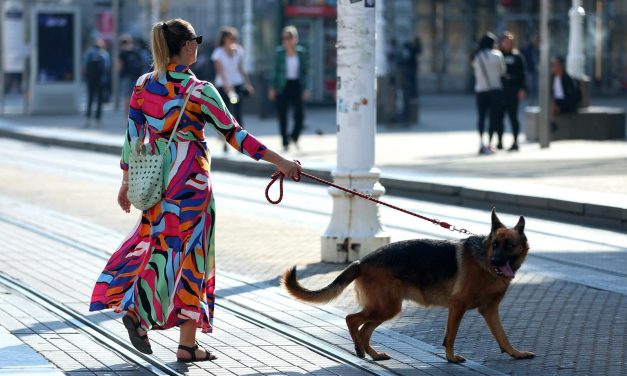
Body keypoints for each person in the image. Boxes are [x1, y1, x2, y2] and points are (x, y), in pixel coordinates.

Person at [89, 18, 301, 362]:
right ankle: (141, 313)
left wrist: (126, 182)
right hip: (192, 186)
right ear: (187, 46)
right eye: (196, 41)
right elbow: (236, 136)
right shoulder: (200, 90)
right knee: (193, 258)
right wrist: (282, 163)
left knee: (162, 249)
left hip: (157, 186)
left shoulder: (144, 85)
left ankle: (186, 344)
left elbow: (132, 137)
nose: (198, 46)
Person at [211, 26, 254, 152]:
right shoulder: (218, 53)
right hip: (223, 86)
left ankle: (241, 142)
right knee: (226, 116)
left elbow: (241, 69)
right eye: (231, 38)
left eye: (235, 38)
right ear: (225, 39)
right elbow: (221, 72)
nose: (234, 40)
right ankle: (225, 142)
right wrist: (228, 89)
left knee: (239, 114)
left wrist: (247, 83)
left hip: (237, 83)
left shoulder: (238, 51)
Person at [269, 25, 309, 152]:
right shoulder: (279, 53)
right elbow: (274, 71)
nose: (287, 40)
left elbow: (305, 71)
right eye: (285, 38)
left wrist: (306, 88)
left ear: (295, 38)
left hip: (296, 84)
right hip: (282, 85)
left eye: (289, 37)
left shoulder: (301, 52)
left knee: (300, 114)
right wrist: (272, 87)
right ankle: (285, 141)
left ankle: (294, 136)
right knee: (282, 114)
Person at [471, 32, 505, 155]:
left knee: (481, 117)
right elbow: (502, 71)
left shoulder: (477, 56)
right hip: (495, 89)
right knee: (493, 117)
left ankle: (481, 142)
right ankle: (490, 143)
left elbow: (475, 72)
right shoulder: (497, 55)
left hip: (480, 90)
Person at [497, 31, 526, 151]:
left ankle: (515, 141)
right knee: (498, 117)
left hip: (513, 90)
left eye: (510, 42)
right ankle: (499, 141)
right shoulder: (497, 56)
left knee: (513, 117)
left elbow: (522, 74)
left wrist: (522, 89)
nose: (508, 44)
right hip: (500, 90)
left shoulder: (517, 57)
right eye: (505, 42)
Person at [83, 38, 110, 125]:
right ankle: (98, 119)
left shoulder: (89, 53)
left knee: (90, 98)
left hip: (91, 80)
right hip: (101, 80)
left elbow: (84, 66)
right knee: (99, 99)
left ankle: (88, 118)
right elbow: (107, 66)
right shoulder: (104, 54)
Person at [119, 35, 144, 115]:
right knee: (136, 96)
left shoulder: (122, 53)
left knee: (126, 96)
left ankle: (127, 115)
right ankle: (135, 114)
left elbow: (119, 66)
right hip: (136, 77)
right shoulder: (136, 52)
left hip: (126, 76)